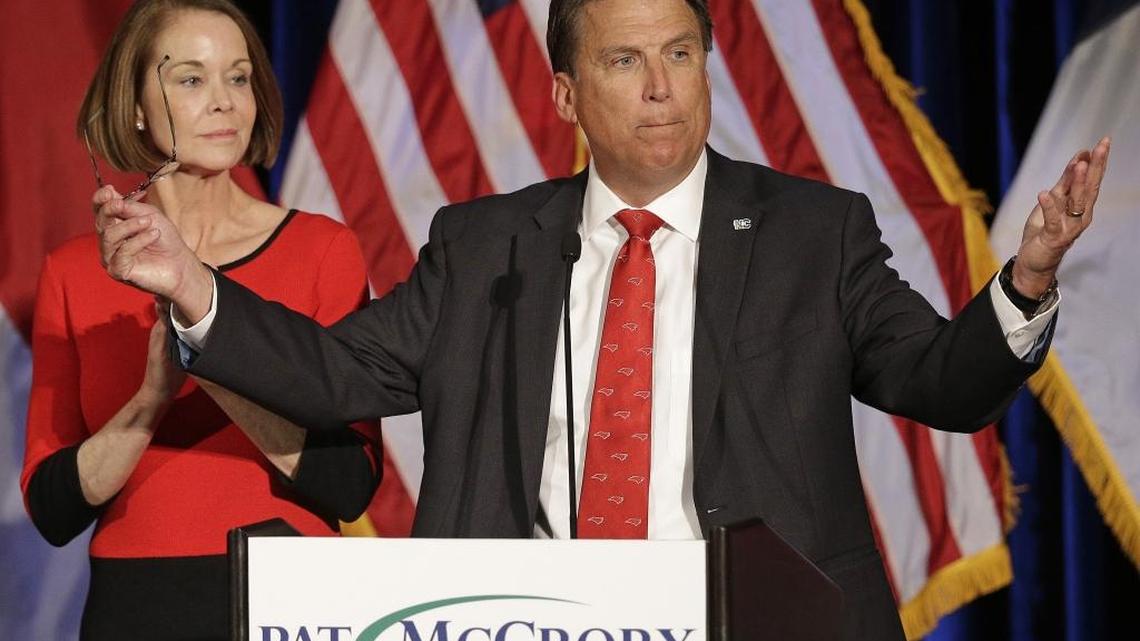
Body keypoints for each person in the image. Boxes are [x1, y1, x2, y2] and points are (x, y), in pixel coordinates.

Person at [93, 0, 1110, 638]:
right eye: (626, 61)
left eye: (681, 52)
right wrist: (193, 286)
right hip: (534, 620)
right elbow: (336, 373)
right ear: (567, 94)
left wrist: (1022, 283)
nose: (664, 86)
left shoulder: (813, 231)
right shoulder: (484, 244)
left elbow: (940, 381)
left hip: (755, 619)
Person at [21, 1, 382, 639]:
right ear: (135, 105)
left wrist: (203, 336)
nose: (223, 101)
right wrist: (152, 398)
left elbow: (349, 482)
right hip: (137, 603)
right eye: (191, 78)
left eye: (238, 77)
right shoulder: (73, 271)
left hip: (292, 596)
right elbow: (52, 506)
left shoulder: (324, 251)